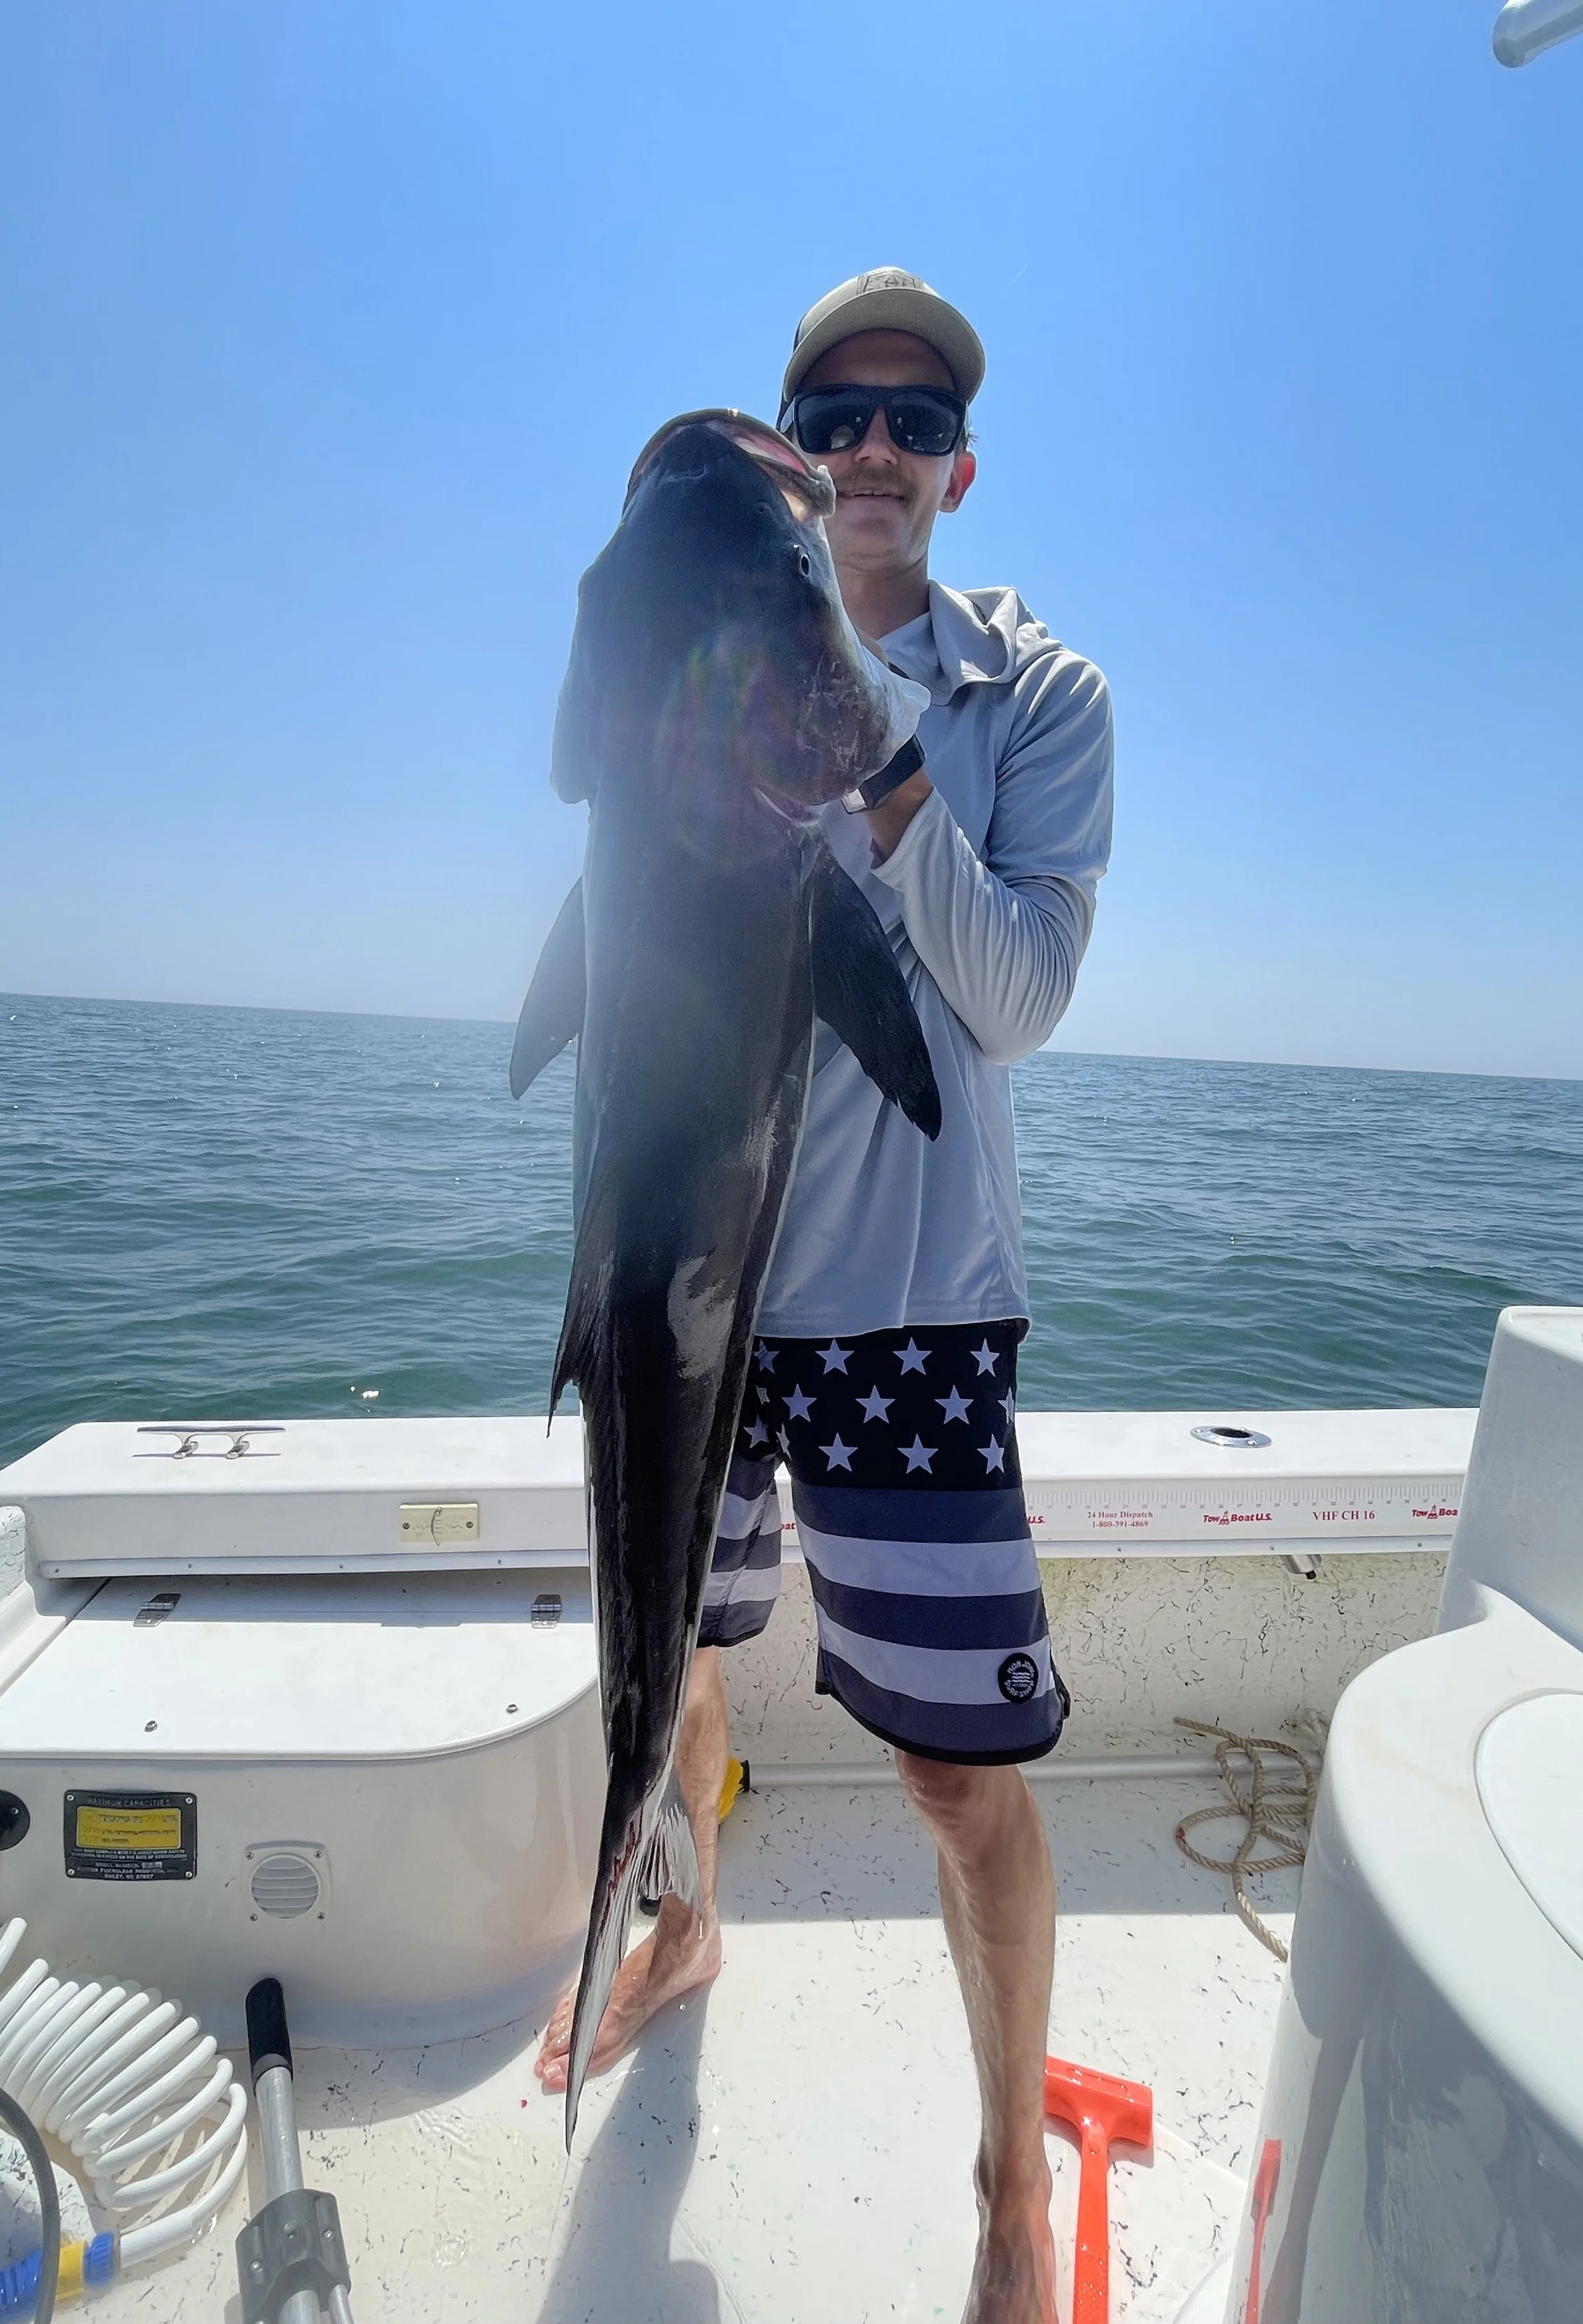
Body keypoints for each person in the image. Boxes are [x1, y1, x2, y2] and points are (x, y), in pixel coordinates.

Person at [535, 268, 1115, 2324]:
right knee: (680, 1665)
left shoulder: (1032, 697)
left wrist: (857, 765)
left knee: (958, 1775)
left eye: (909, 416)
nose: (869, 443)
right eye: (832, 411)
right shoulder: (698, 647)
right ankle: (676, 1915)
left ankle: (1006, 2189)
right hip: (676, 1270)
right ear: (804, 451)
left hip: (902, 1312)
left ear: (957, 463)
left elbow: (1017, 1000)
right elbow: (612, 908)